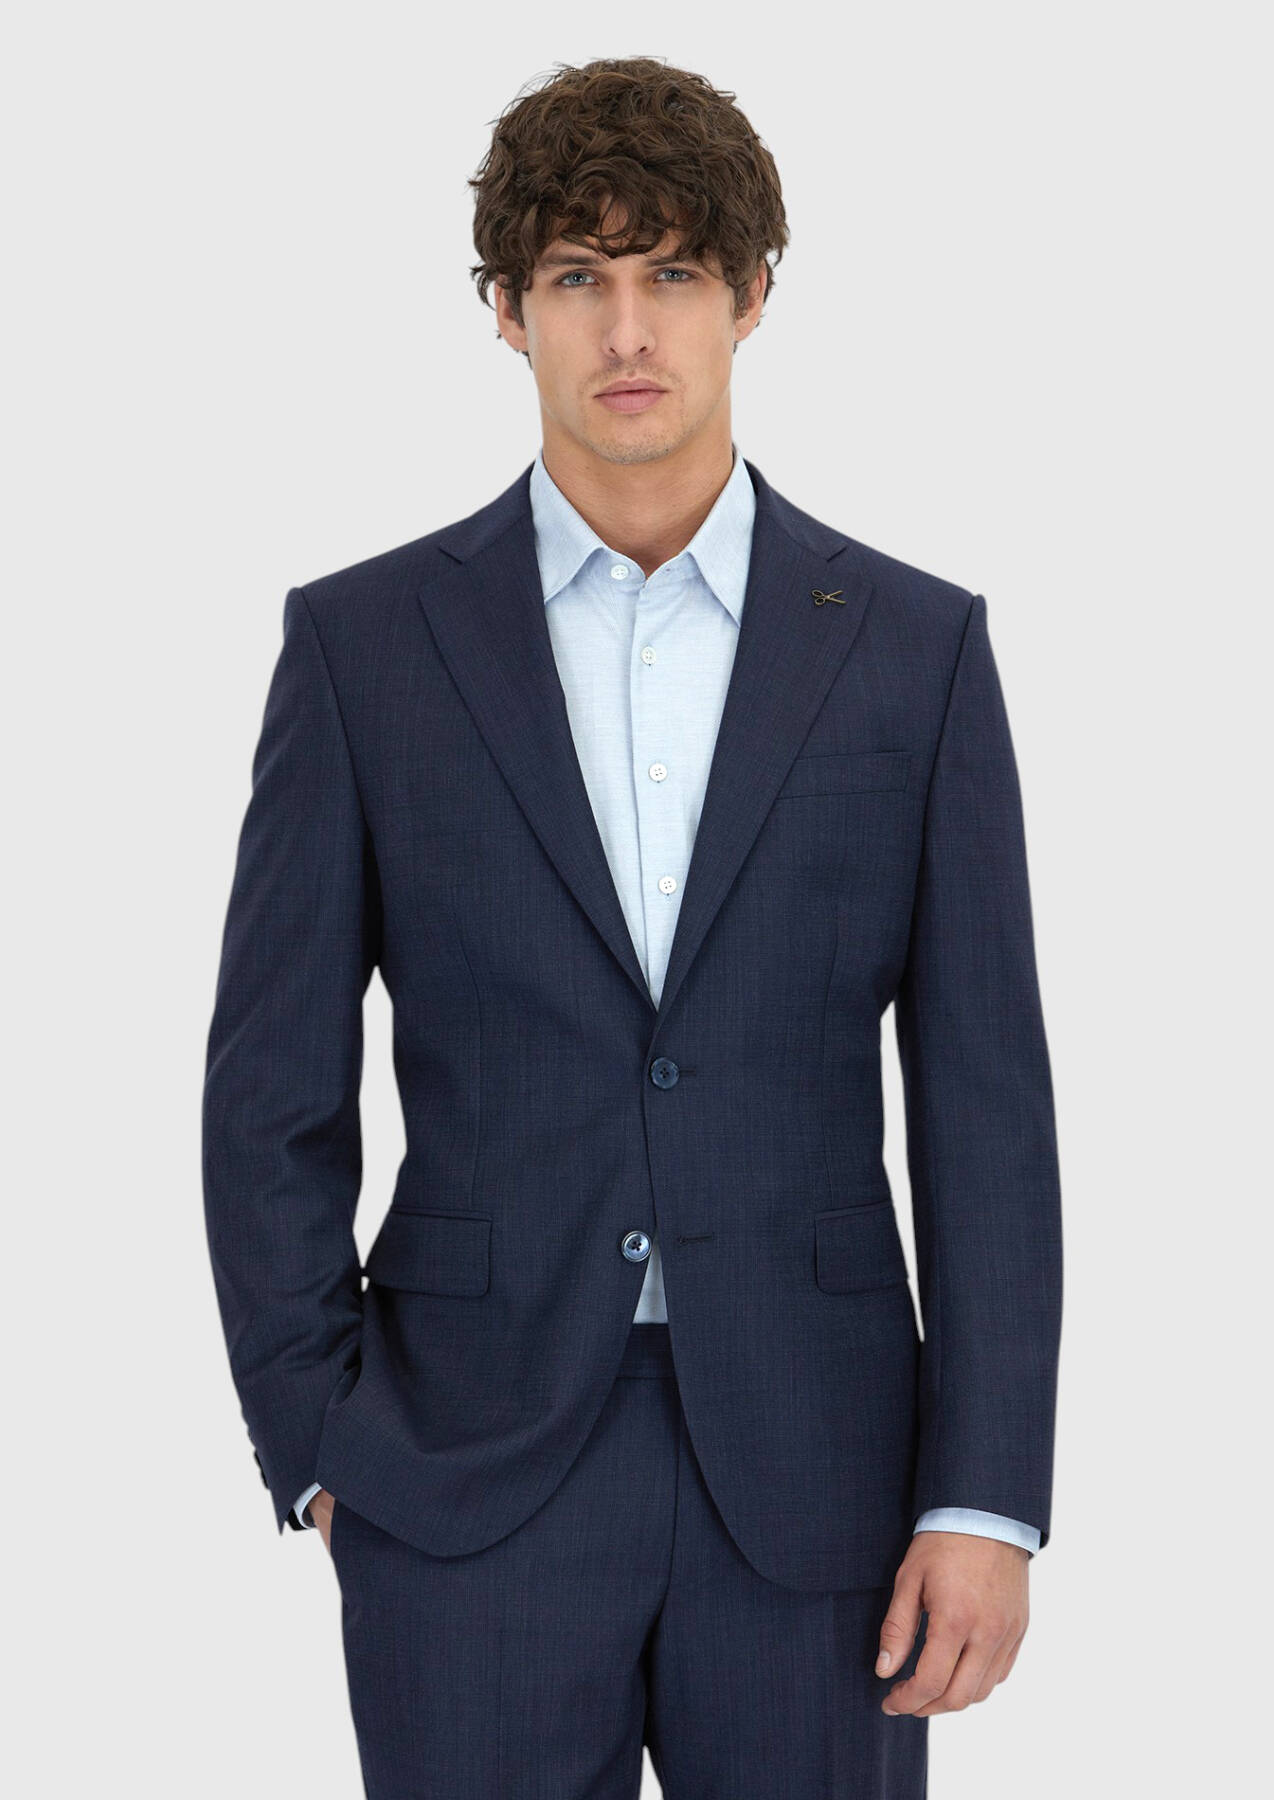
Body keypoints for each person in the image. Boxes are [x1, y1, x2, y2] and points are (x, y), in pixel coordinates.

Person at [202, 54, 1063, 1798]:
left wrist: (983, 1496)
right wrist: (320, 1441)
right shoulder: (364, 649)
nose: (625, 328)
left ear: (751, 294)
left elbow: (985, 1102)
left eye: (672, 269)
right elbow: (267, 1090)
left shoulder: (913, 650)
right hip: (465, 1469)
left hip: (823, 1478)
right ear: (503, 311)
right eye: (574, 275)